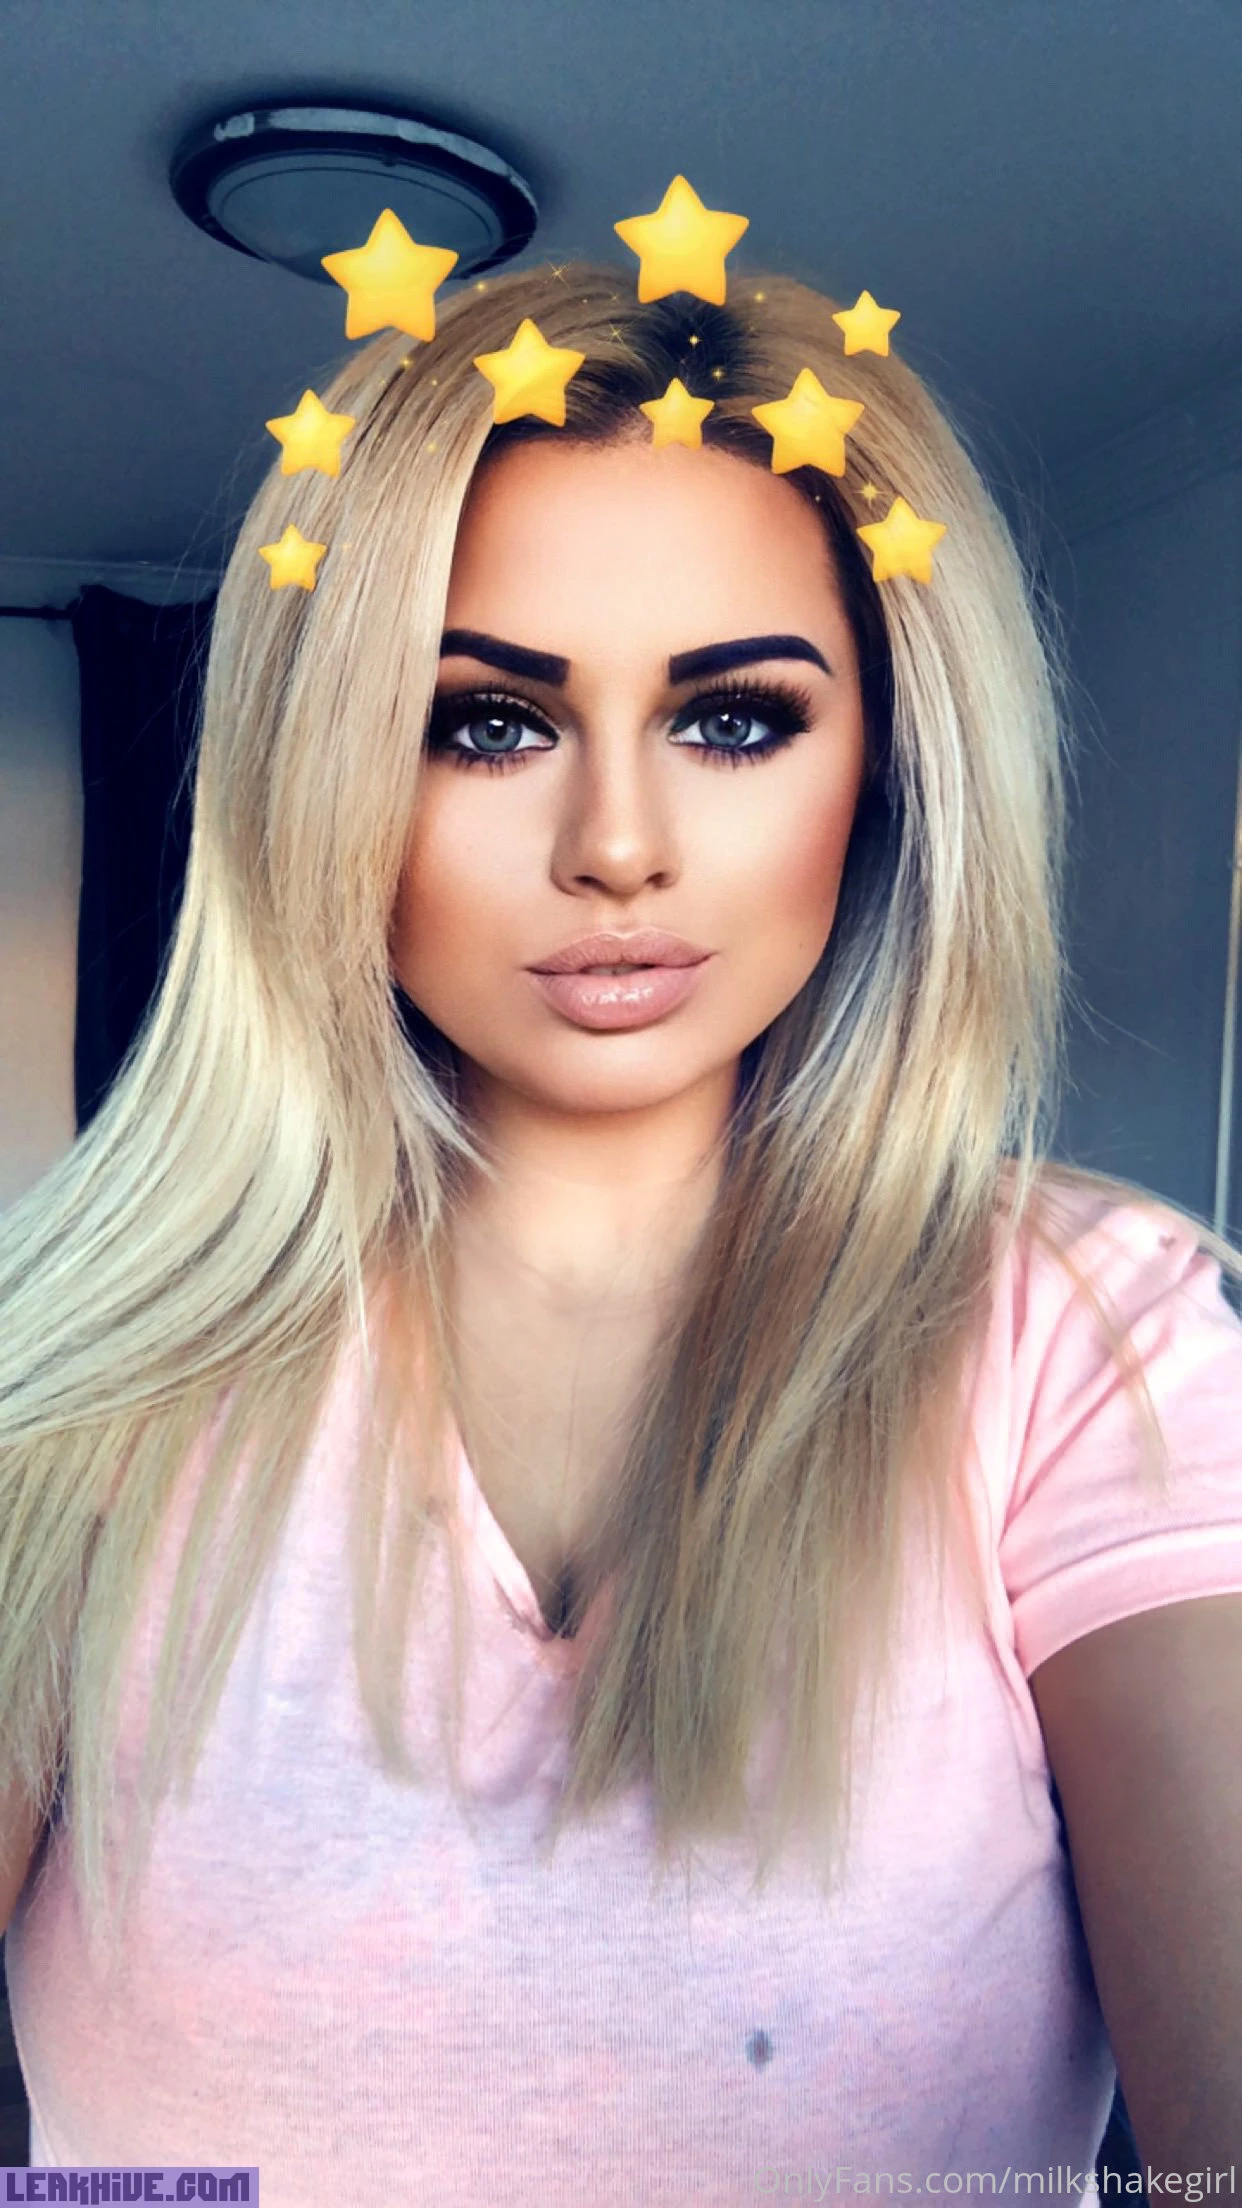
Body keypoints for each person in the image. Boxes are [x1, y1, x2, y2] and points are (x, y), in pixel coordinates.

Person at [1, 237, 1241, 2198]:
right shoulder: (76, 1374)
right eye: (485, 723)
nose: (616, 847)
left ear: (887, 770)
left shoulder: (1093, 1340)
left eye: (732, 720)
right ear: (330, 776)